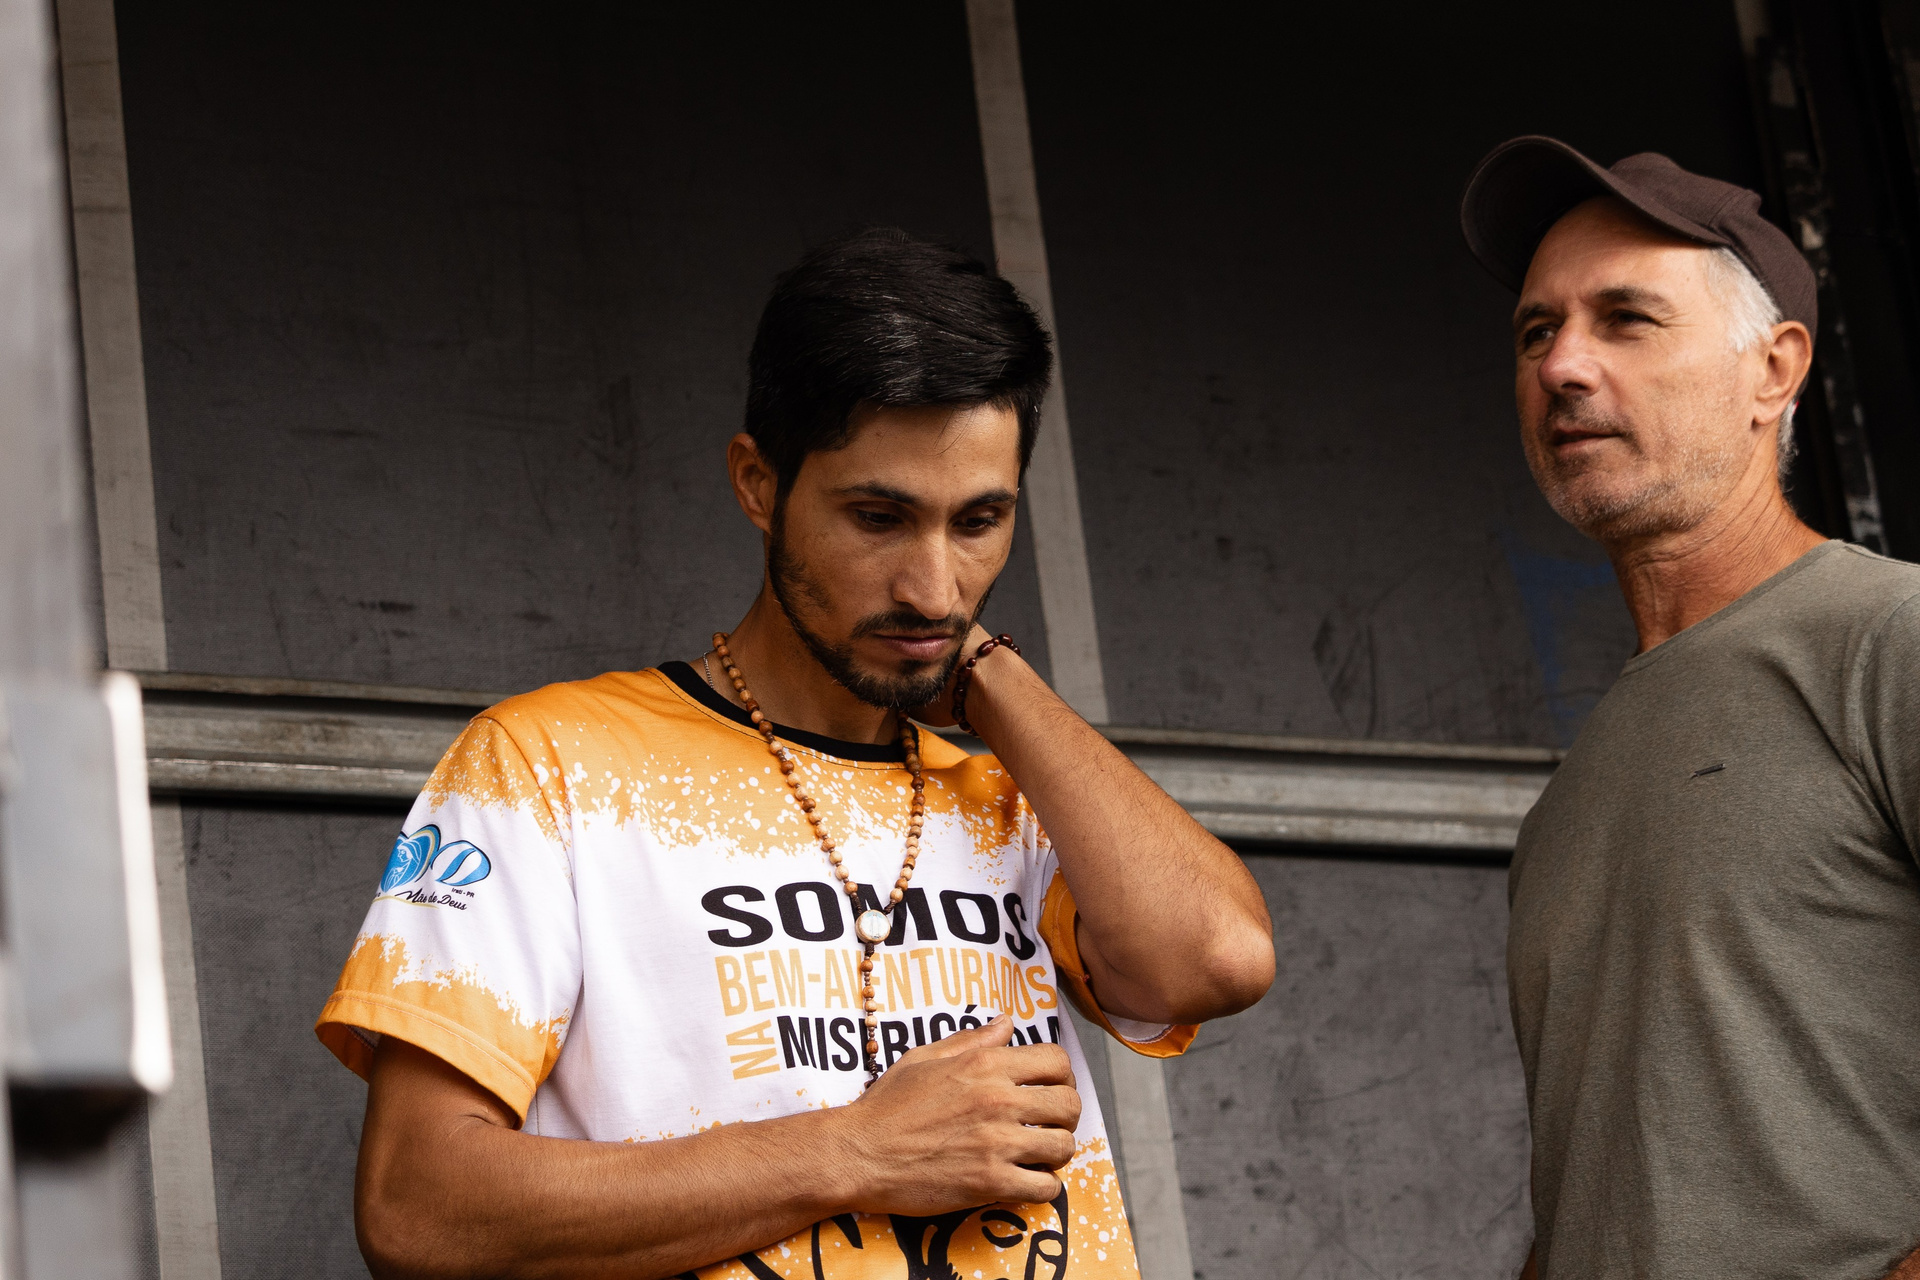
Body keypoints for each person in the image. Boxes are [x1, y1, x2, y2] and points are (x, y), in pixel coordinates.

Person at [315, 228, 1276, 1280]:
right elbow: (417, 1209)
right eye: (879, 516)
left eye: (978, 521)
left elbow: (1218, 960)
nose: (933, 587)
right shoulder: (550, 766)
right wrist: (852, 1151)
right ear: (757, 484)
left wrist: (988, 673)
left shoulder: (1013, 795)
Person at [1460, 137, 1920, 1278]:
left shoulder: (1889, 637)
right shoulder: (1565, 809)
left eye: (1626, 319)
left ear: (1774, 370)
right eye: (1536, 331)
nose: (1563, 365)